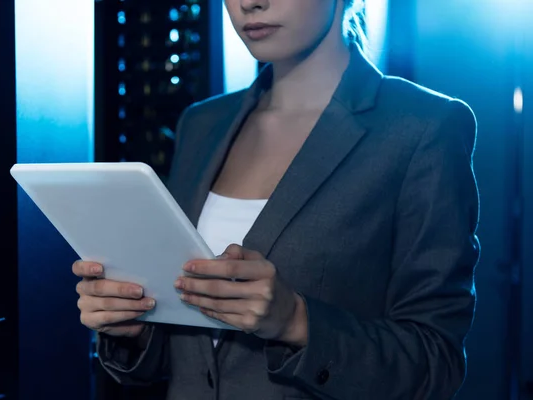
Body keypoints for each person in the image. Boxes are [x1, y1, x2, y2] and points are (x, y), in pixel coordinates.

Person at [73, 0, 480, 398]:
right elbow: (190, 355)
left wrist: (295, 321)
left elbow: (436, 361)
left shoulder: (423, 128)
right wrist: (133, 325)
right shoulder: (202, 123)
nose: (250, 4)